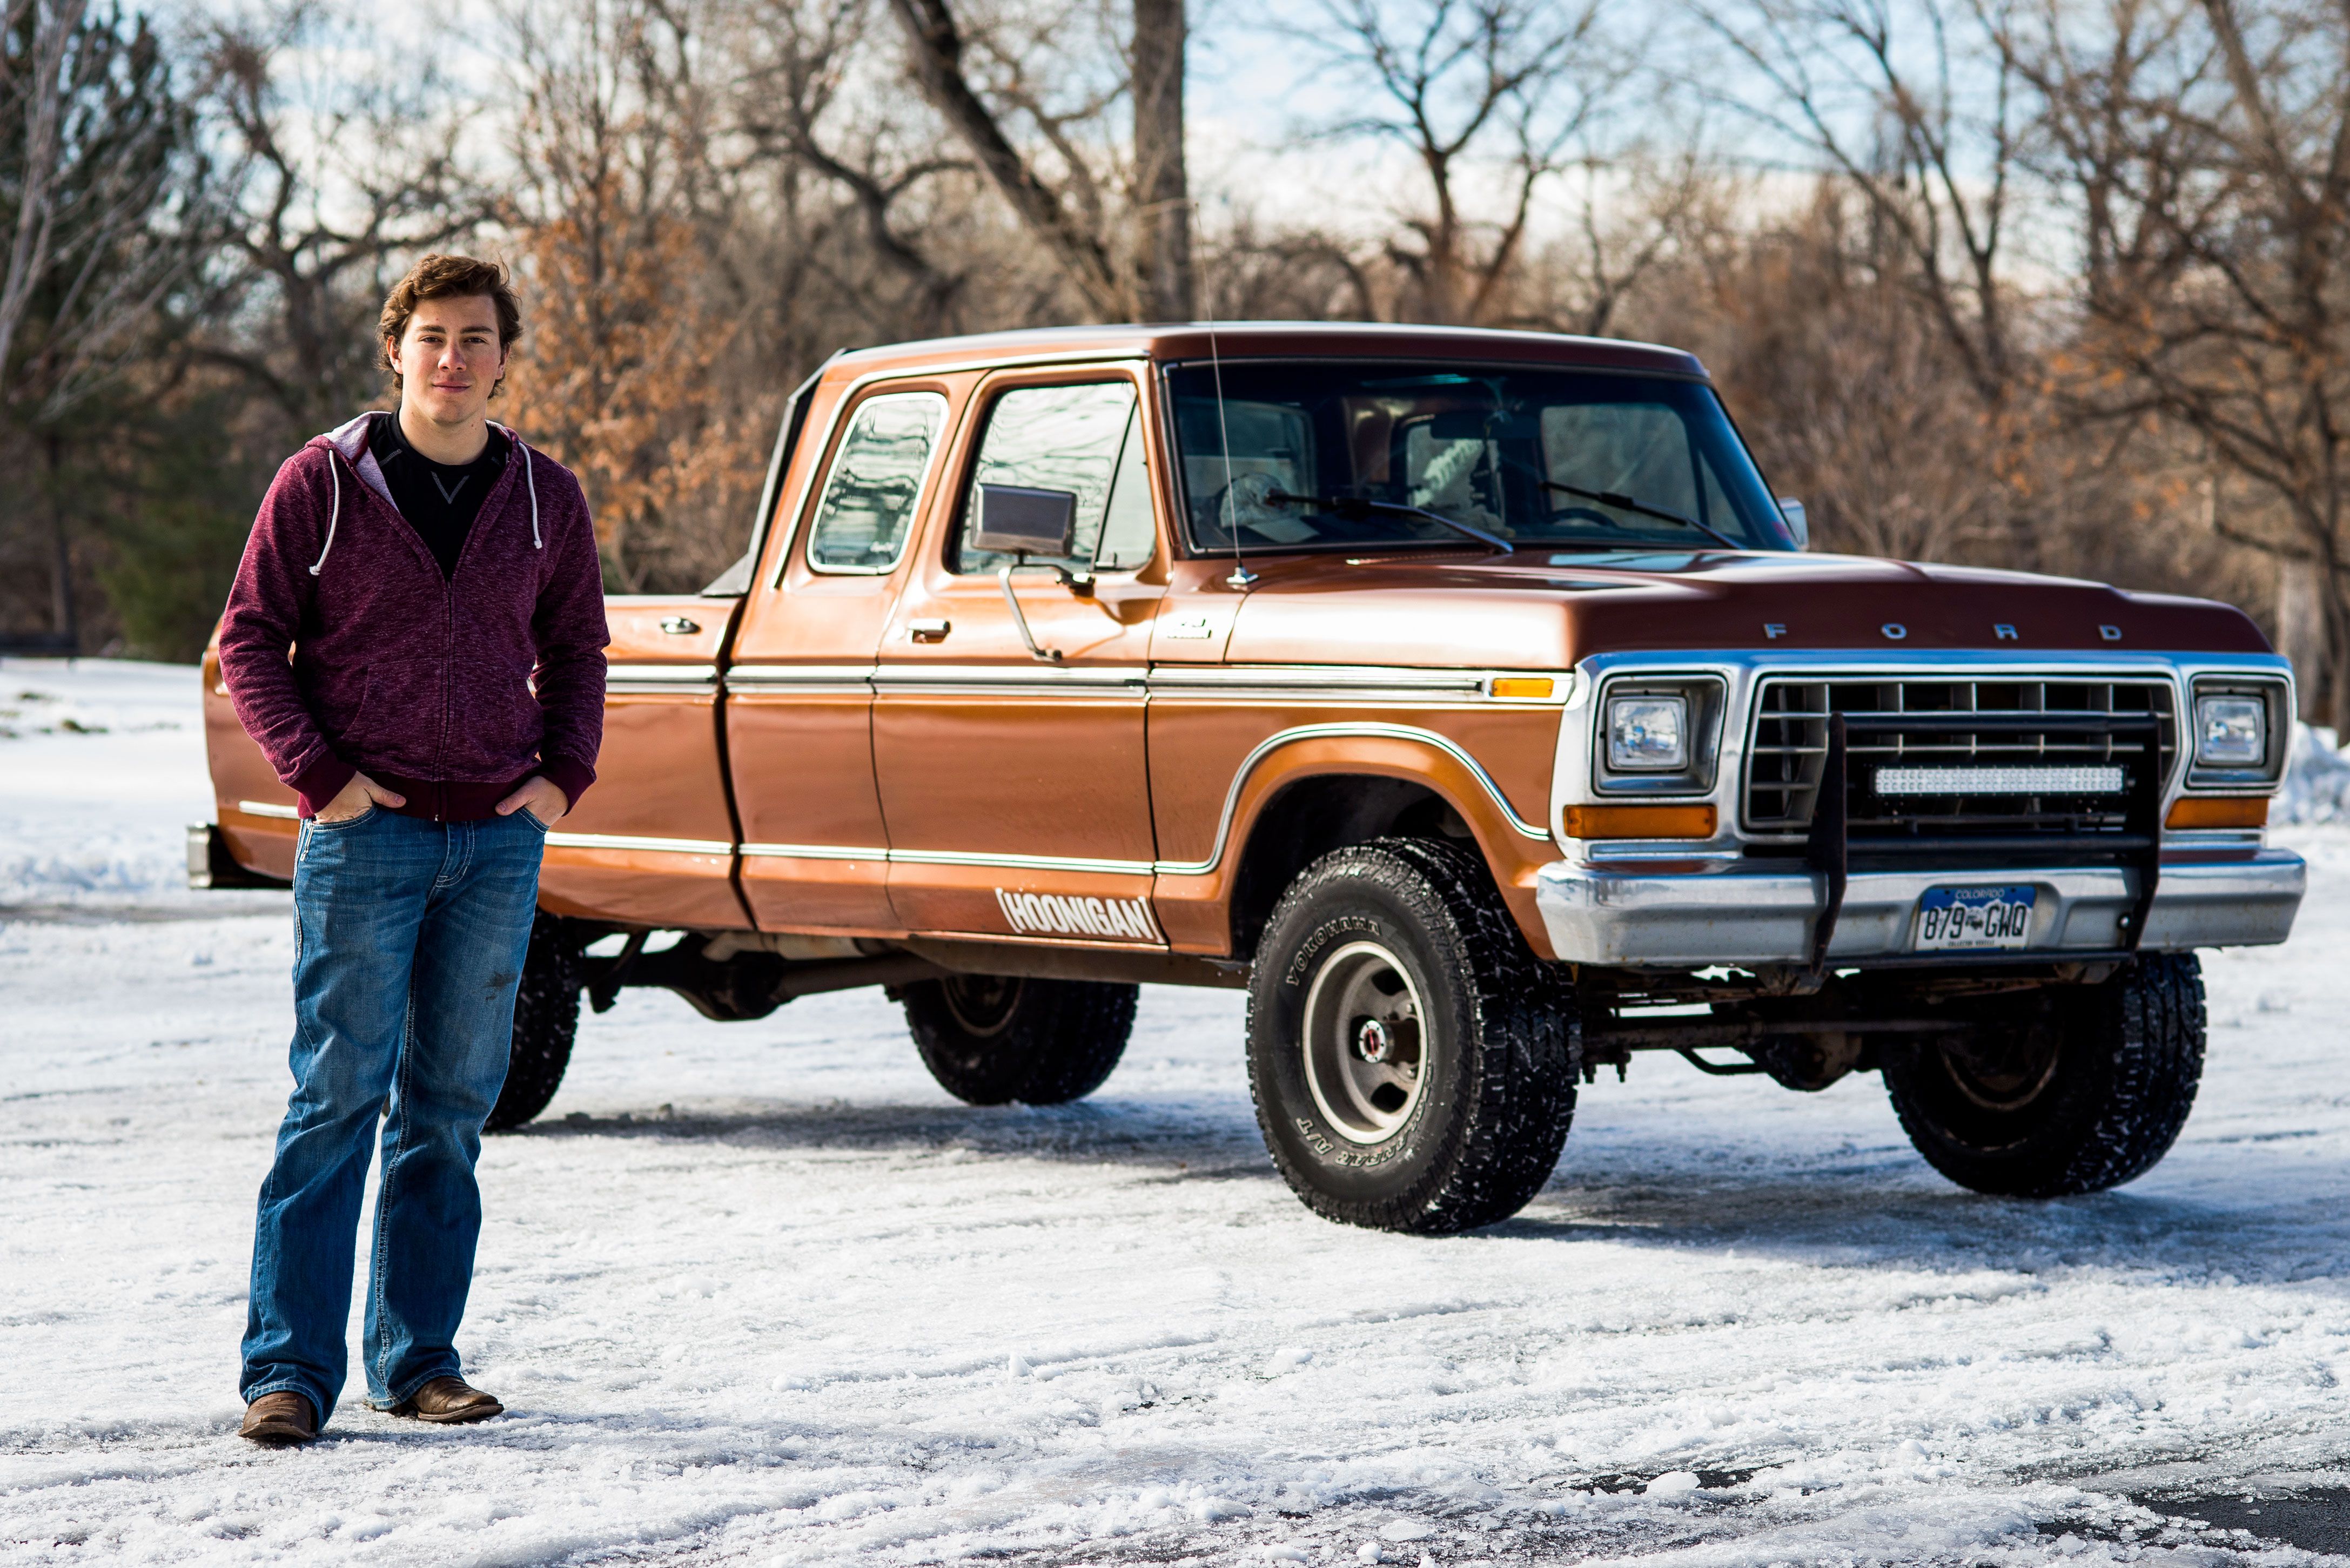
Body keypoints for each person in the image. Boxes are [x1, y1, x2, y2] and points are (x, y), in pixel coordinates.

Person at [217, 254, 608, 1445]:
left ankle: (418, 1359)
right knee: (334, 1097)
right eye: (432, 336)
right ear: (395, 349)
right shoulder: (321, 485)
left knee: (446, 1108)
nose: (453, 359)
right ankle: (287, 1373)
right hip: (364, 837)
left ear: (503, 358)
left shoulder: (545, 497)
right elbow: (248, 639)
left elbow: (581, 648)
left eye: (476, 340)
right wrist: (323, 779)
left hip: (494, 843)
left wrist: (560, 774)